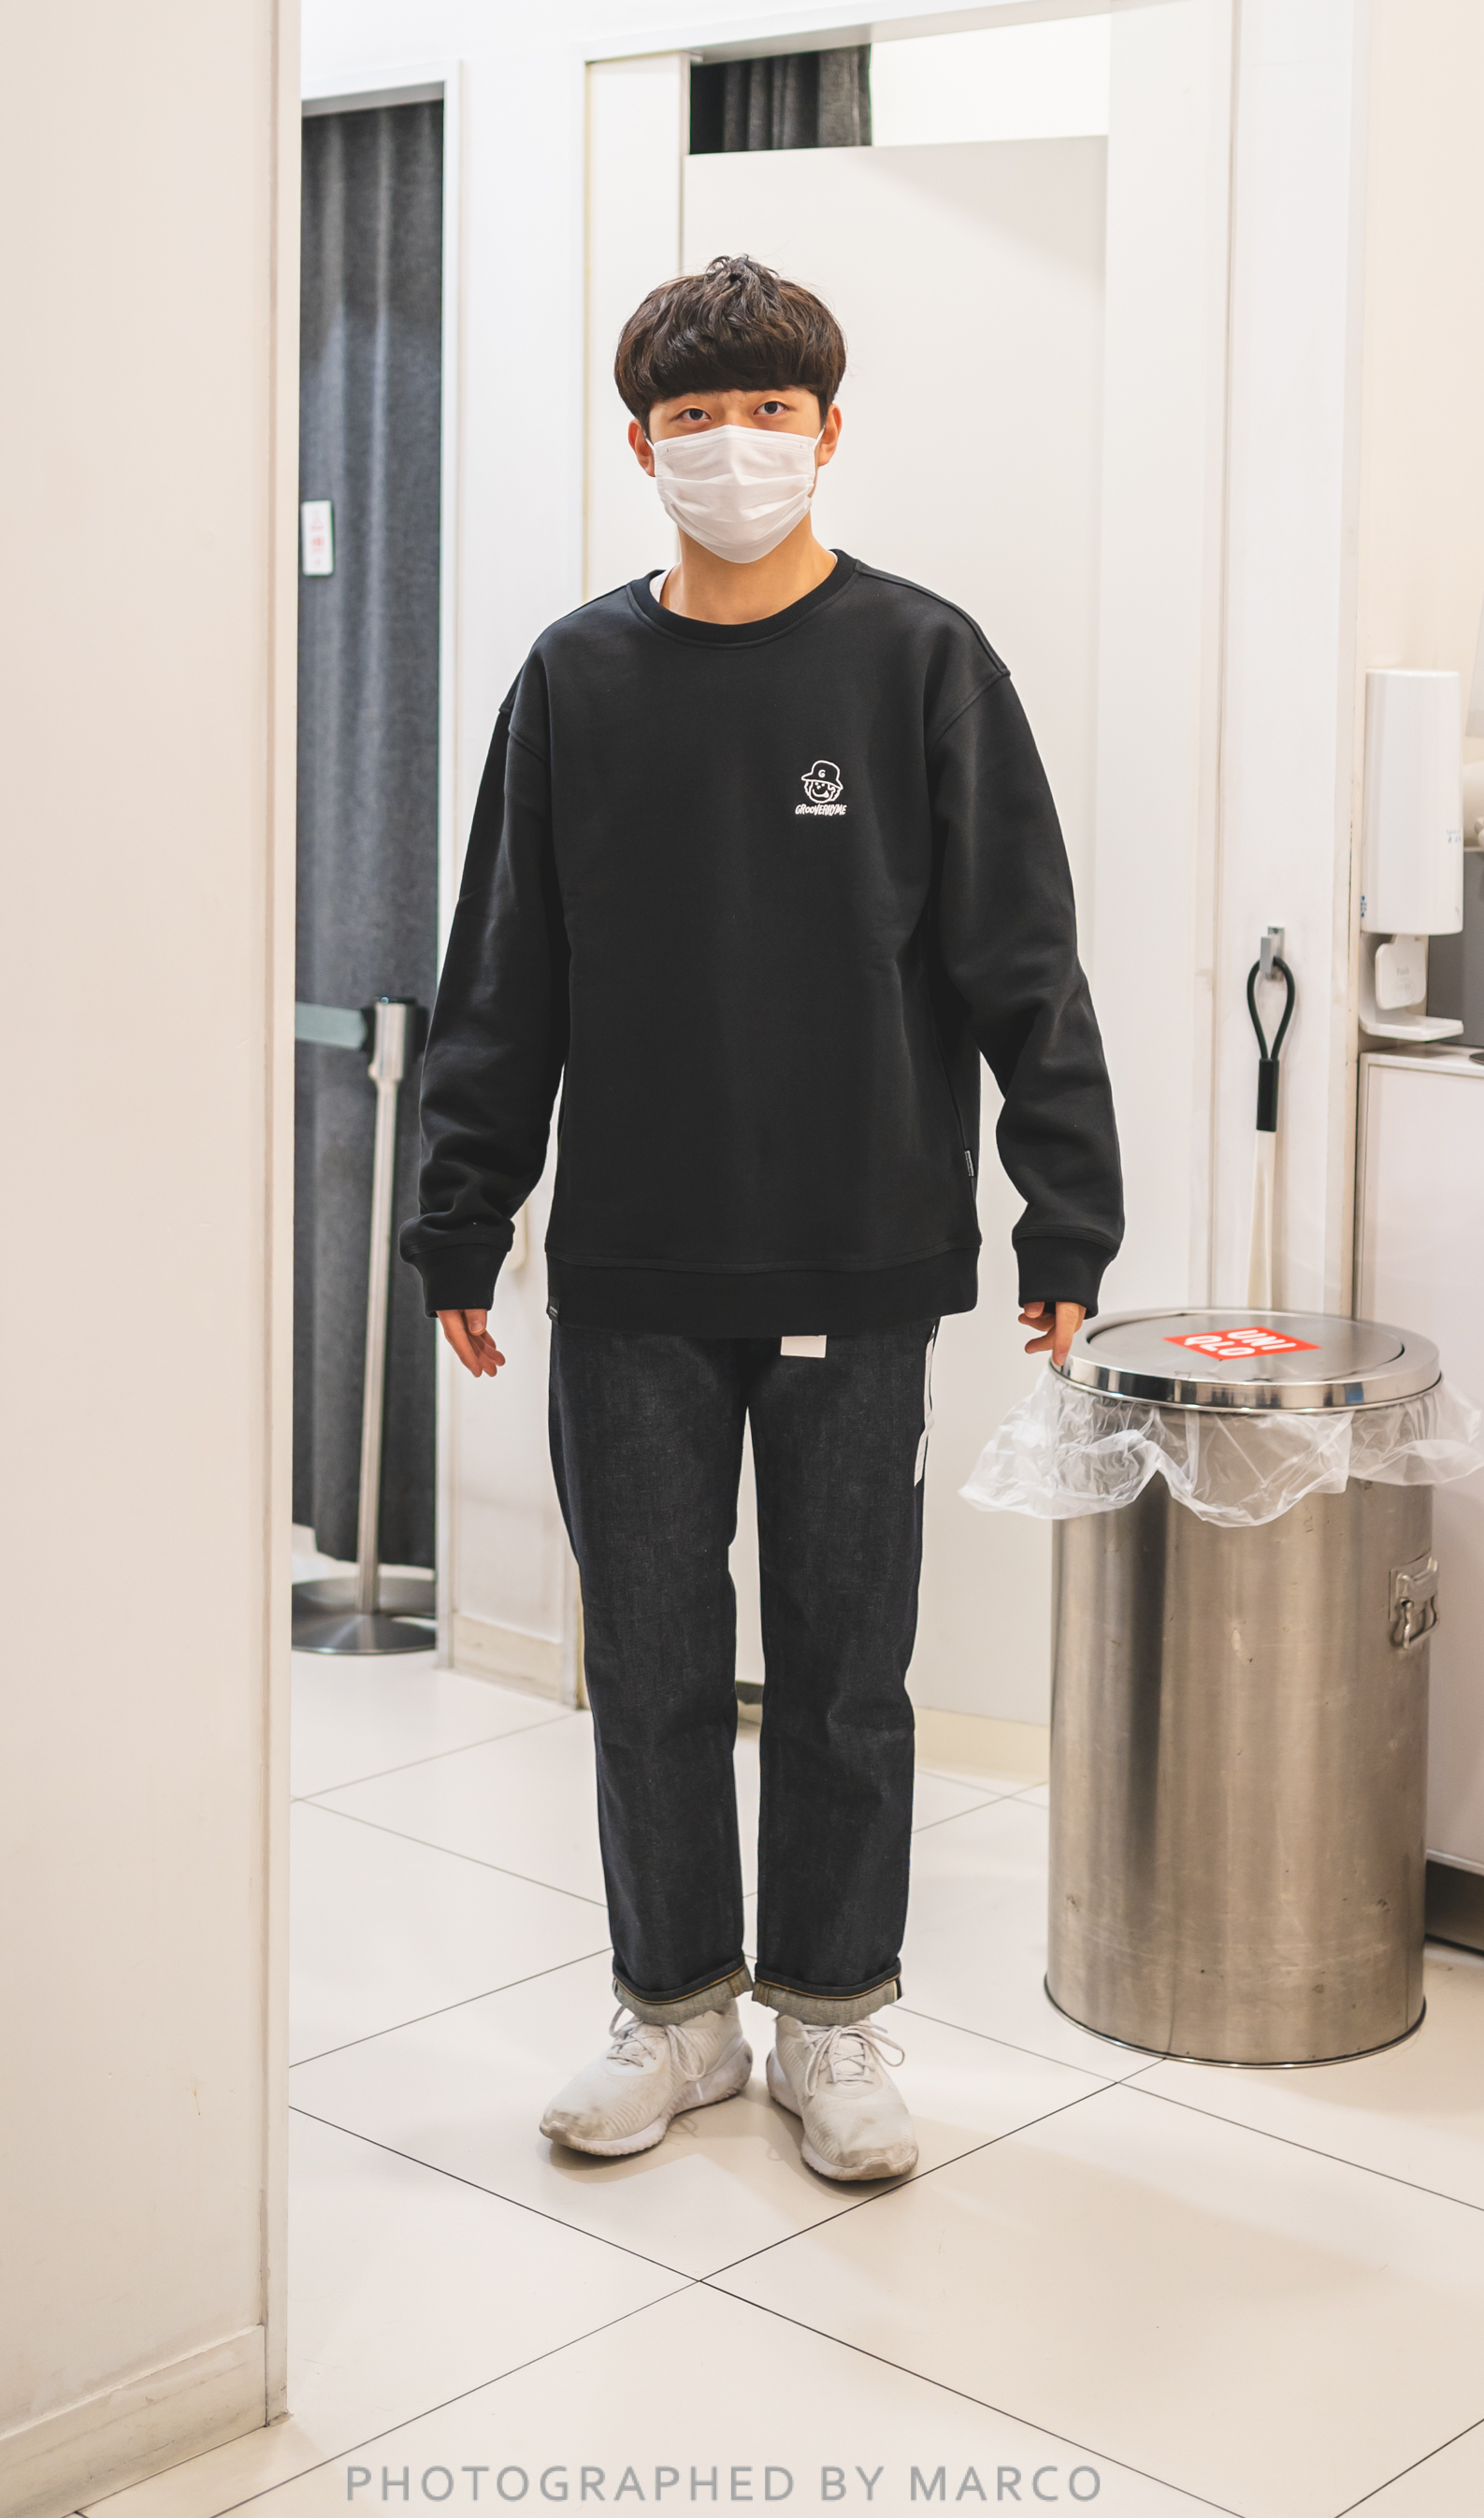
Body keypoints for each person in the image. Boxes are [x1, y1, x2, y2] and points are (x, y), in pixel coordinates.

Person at [402, 253, 1121, 2180]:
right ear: (641, 445)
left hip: (858, 1254)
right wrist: (462, 1210)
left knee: (842, 1667)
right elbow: (505, 973)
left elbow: (1022, 962)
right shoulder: (574, 678)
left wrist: (1065, 1219)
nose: (735, 446)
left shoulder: (920, 661)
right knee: (647, 1662)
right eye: (696, 416)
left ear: (829, 432)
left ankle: (832, 2021)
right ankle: (674, 2014)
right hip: (634, 1260)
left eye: (770, 413)